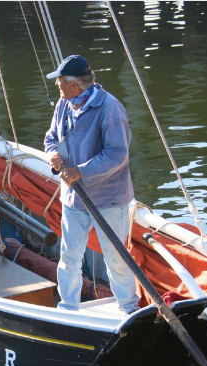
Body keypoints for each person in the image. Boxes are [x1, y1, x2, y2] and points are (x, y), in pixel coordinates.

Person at [44, 55, 140, 314]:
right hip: (74, 198)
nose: (57, 86)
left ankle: (129, 309)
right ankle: (69, 309)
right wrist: (52, 153)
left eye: (60, 81)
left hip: (108, 199)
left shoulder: (110, 108)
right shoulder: (64, 104)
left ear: (75, 84)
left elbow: (117, 155)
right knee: (69, 257)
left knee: (116, 258)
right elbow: (51, 137)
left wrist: (80, 172)